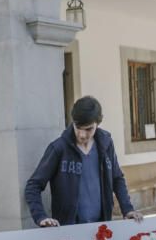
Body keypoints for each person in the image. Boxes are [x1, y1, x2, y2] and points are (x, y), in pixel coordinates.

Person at [25, 95, 143, 227]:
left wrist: (128, 209)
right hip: (68, 230)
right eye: (78, 127)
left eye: (88, 129)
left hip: (102, 227)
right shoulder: (58, 148)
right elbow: (33, 186)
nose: (82, 134)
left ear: (98, 124)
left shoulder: (106, 144)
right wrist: (41, 217)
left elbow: (117, 178)